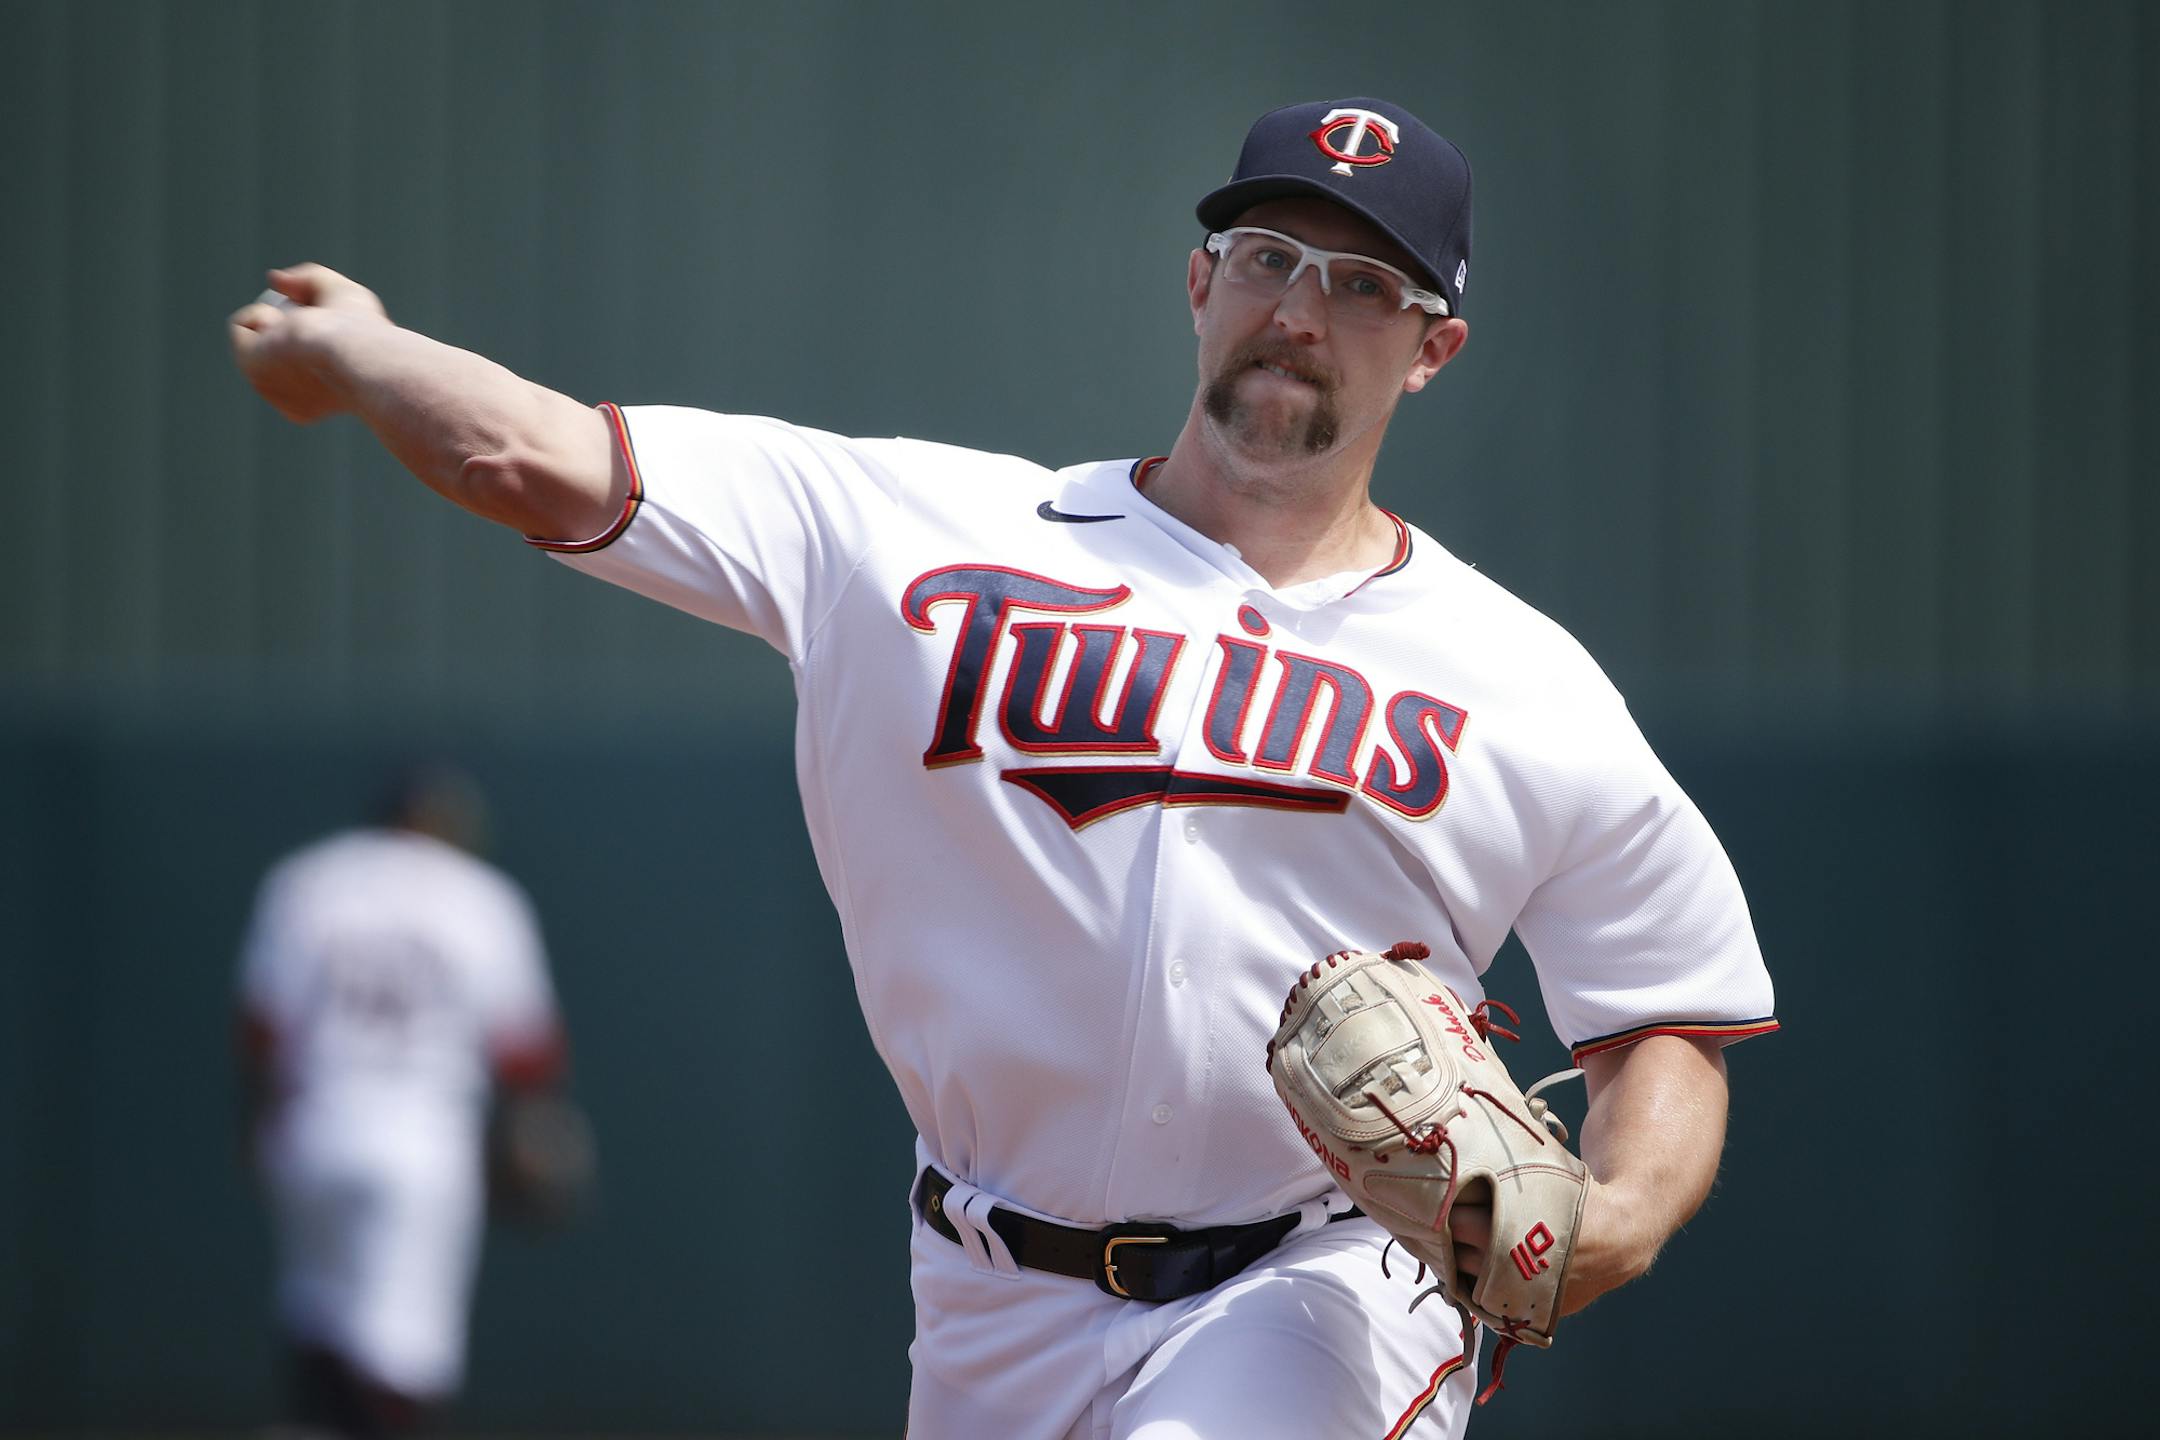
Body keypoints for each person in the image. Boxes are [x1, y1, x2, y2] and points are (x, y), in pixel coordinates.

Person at [230, 97, 1775, 1439]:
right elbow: (546, 458)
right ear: (1198, 283)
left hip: (1316, 1282)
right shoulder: (916, 532)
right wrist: (365, 354)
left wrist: (1619, 1220)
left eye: (1363, 284)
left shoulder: (1521, 678)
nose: (1300, 312)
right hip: (981, 1291)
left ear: (1432, 349)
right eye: (1269, 260)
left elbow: (1667, 1018)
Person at [236, 764, 572, 1438]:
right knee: (401, 1360)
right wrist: (532, 1132)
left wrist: (259, 1122)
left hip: (314, 1129)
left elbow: (261, 1026)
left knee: (321, 1326)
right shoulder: (480, 897)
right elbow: (527, 1053)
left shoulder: (310, 880)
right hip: (423, 1142)